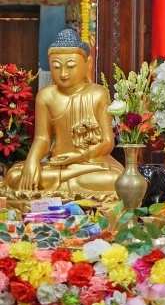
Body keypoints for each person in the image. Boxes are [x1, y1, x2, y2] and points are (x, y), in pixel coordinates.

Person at [4, 27, 123, 193]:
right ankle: (68, 188)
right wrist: (32, 161)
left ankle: (61, 188)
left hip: (90, 165)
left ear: (87, 64)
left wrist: (79, 157)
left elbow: (107, 142)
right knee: (14, 176)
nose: (64, 73)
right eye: (56, 66)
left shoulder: (98, 94)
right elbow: (42, 139)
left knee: (116, 180)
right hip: (56, 166)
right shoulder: (45, 96)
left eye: (71, 66)